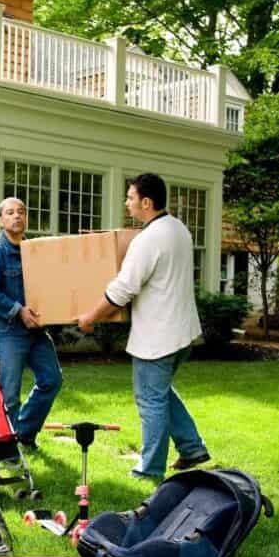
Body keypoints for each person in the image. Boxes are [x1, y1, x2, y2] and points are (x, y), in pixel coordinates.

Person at [75, 173, 210, 479]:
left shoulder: (148, 239)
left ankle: (149, 470)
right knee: (160, 393)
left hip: (157, 338)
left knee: (150, 401)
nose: (127, 203)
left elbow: (123, 289)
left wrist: (90, 317)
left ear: (146, 202)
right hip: (183, 332)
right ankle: (191, 447)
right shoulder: (178, 229)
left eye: (130, 197)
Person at [0, 197, 62, 453]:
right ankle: (6, 450)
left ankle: (23, 433)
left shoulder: (34, 250)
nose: (17, 216)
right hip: (8, 330)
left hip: (36, 329)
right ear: (1, 220)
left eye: (21, 212)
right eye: (10, 213)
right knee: (9, 393)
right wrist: (17, 310)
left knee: (52, 380)